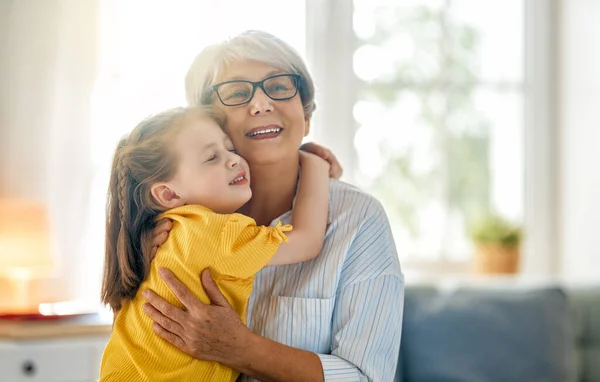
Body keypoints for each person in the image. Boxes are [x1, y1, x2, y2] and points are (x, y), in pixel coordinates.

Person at [144, 30, 405, 382]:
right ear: (205, 125)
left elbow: (366, 377)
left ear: (306, 116)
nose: (262, 103)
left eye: (280, 87)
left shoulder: (359, 220)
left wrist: (242, 349)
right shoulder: (174, 222)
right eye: (237, 93)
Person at [99, 106, 331, 381]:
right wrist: (315, 165)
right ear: (168, 193)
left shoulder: (166, 234)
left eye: (230, 149)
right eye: (211, 157)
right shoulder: (213, 231)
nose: (233, 160)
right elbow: (306, 241)